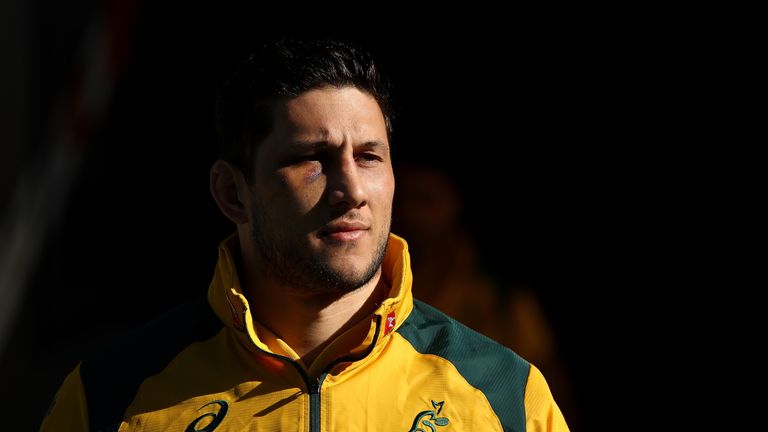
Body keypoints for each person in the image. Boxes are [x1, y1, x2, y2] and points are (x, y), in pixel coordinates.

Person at [40, 38, 569, 432]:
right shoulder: (108, 395)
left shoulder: (505, 395)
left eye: (368, 156)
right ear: (231, 193)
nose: (351, 189)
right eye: (310, 160)